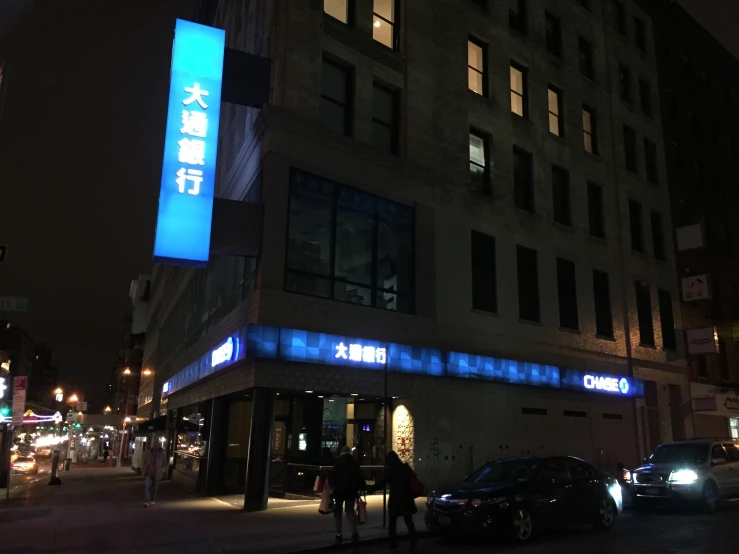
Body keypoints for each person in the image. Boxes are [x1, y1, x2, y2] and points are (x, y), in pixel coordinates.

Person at [373, 451, 417, 551]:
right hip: (406, 498)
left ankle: (393, 542)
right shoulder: (405, 467)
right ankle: (413, 542)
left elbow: (382, 483)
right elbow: (413, 478)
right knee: (409, 521)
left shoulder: (391, 470)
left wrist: (371, 488)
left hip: (396, 499)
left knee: (392, 522)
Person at [329, 446, 364, 545]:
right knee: (350, 511)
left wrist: (332, 488)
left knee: (338, 512)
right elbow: (359, 477)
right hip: (351, 491)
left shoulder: (337, 463)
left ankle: (338, 534)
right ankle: (354, 532)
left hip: (339, 491)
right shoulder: (355, 463)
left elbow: (333, 477)